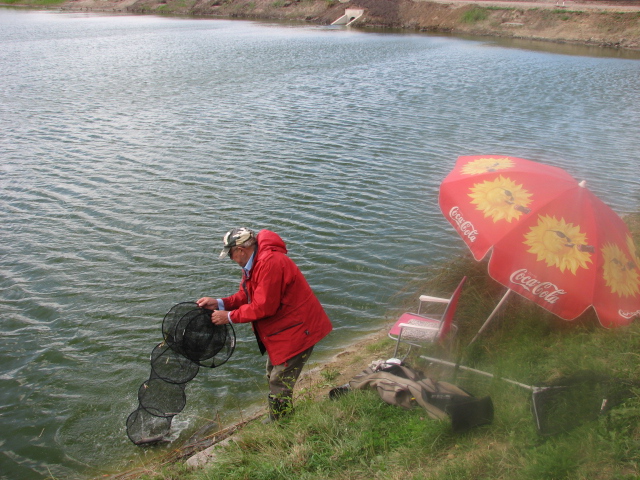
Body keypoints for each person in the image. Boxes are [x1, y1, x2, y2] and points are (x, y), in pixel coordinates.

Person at [197, 227, 333, 422]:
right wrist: (220, 303)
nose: (231, 260)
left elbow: (263, 307)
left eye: (231, 255)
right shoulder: (254, 263)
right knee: (272, 374)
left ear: (241, 250)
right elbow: (247, 295)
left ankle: (281, 422)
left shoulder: (270, 263)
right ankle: (280, 416)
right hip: (285, 330)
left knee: (279, 380)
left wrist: (229, 317)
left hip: (298, 330)